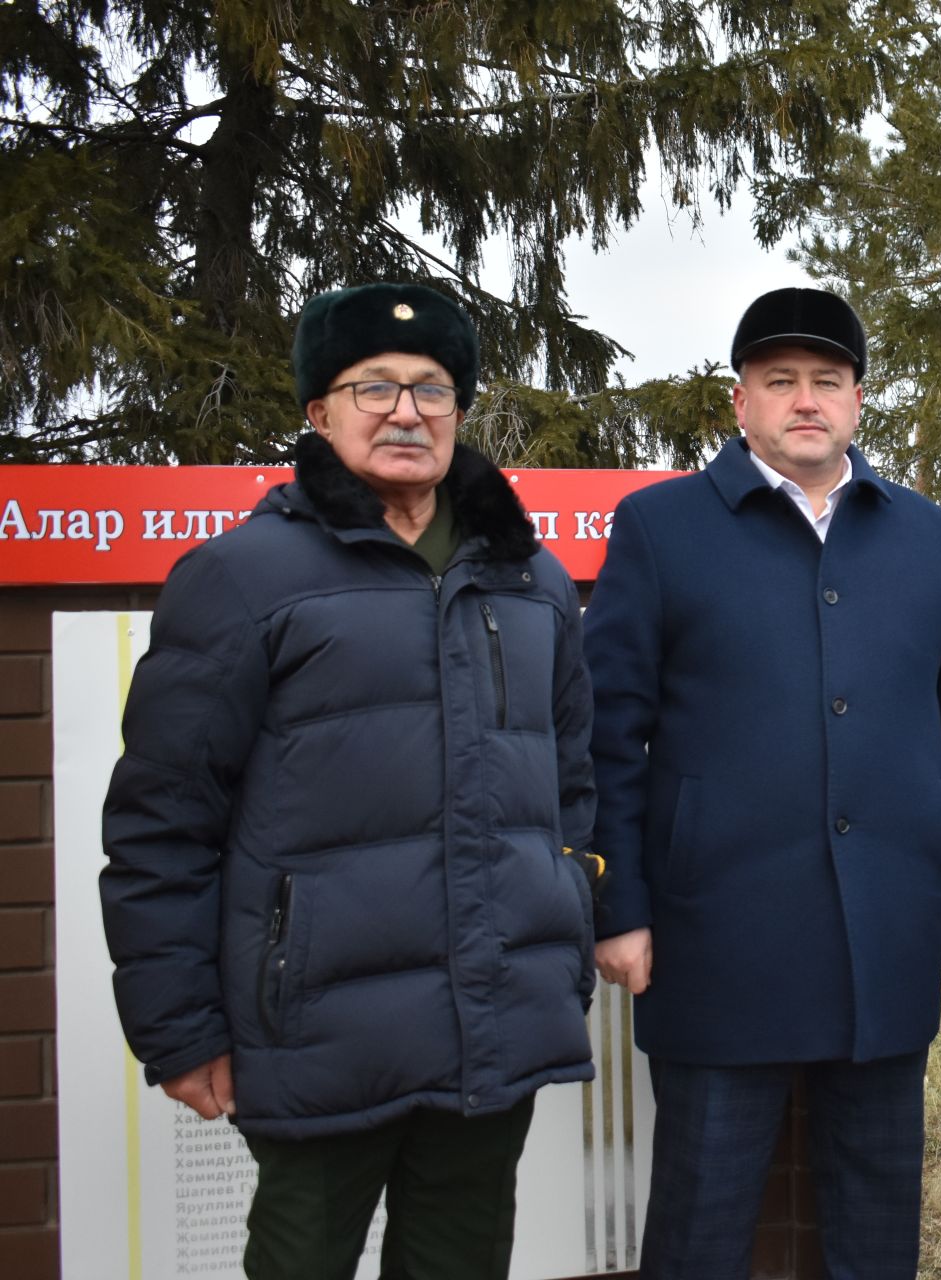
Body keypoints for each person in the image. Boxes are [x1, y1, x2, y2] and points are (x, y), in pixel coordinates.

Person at [99, 283, 599, 1279]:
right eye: (374, 386)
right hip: (317, 1032)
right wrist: (180, 1028)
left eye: (432, 389)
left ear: (460, 413)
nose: (406, 411)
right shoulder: (244, 576)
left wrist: (566, 919)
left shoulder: (532, 581)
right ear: (318, 412)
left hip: (492, 1022)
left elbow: (571, 780)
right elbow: (163, 821)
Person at [583, 286, 941, 1279]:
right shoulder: (660, 528)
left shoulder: (924, 534)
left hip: (888, 921)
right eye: (781, 381)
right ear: (741, 403)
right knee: (704, 1210)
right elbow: (609, 733)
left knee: (874, 1208)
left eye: (827, 380)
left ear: (859, 400)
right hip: (715, 928)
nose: (805, 399)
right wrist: (618, 904)